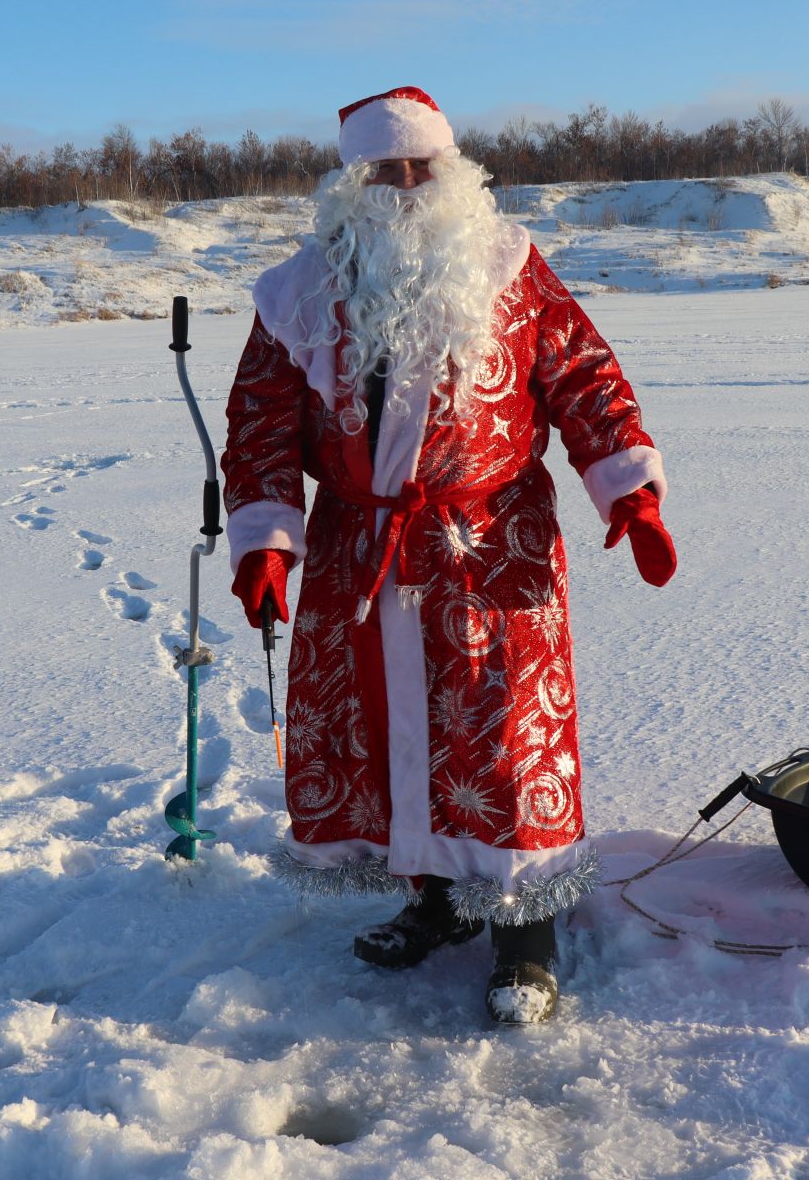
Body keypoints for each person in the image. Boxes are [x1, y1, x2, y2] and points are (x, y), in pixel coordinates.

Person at [220, 87, 675, 1024]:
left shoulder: (509, 268)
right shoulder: (296, 292)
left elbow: (581, 374)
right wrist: (266, 538)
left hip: (491, 544)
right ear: (350, 183)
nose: (403, 185)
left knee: (501, 738)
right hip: (364, 548)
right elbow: (260, 419)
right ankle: (433, 901)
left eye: (419, 165)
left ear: (454, 171)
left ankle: (525, 935)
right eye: (381, 170)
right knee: (393, 736)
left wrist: (629, 488)